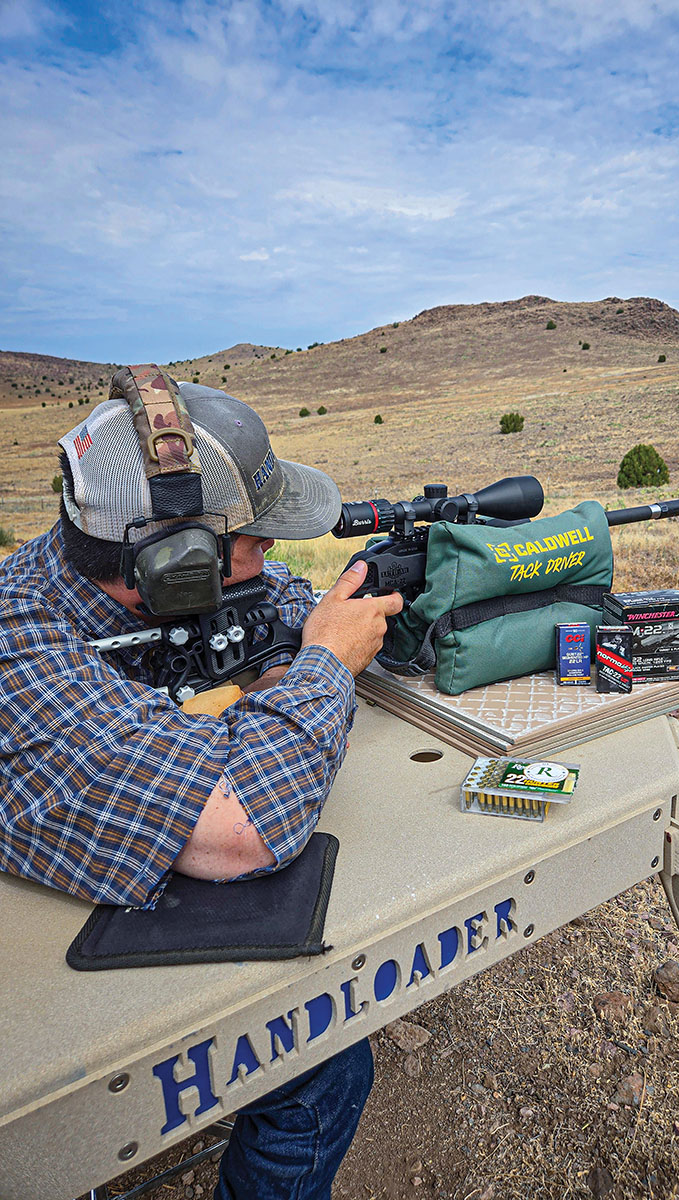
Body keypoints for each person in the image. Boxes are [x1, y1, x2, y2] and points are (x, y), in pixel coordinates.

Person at [0, 375, 403, 1200]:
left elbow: (281, 604)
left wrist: (302, 655)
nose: (270, 555)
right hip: (31, 1002)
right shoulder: (20, 652)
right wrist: (325, 666)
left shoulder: (132, 576)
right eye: (254, 537)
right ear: (175, 561)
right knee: (324, 1065)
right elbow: (243, 829)